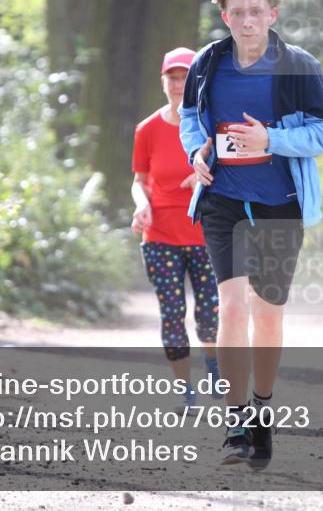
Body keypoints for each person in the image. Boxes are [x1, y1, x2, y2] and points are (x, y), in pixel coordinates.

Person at [179, 0, 323, 469]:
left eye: (256, 12)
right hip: (223, 200)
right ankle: (235, 423)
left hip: (278, 203)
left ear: (273, 13)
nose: (247, 21)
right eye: (237, 13)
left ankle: (263, 414)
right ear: (225, 16)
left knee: (267, 312)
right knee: (230, 308)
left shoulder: (299, 66)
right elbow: (190, 121)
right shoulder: (207, 63)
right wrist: (196, 154)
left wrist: (271, 140)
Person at [132, 48, 221, 409]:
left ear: (196, 81)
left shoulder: (210, 126)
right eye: (172, 76)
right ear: (163, 81)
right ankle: (186, 389)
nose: (178, 83)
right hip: (161, 237)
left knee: (209, 312)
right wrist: (142, 205)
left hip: (205, 233)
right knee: (171, 313)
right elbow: (139, 179)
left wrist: (200, 176)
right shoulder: (147, 130)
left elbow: (231, 170)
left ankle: (214, 366)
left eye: (185, 76)